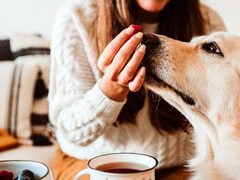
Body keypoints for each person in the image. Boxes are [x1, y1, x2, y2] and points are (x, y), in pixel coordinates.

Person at [48, 0, 226, 179]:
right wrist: (110, 90)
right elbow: (70, 132)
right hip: (92, 164)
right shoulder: (76, 18)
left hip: (180, 165)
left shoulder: (208, 22)